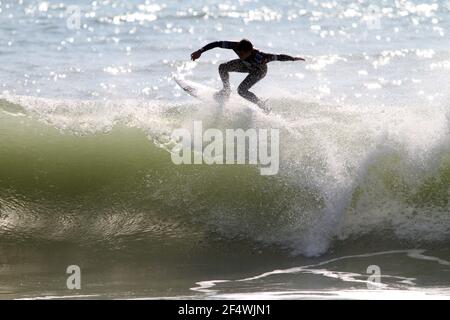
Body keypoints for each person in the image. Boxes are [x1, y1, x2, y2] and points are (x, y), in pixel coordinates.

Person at [191, 39, 305, 112]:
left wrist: (293, 59)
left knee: (241, 90)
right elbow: (217, 44)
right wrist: (200, 51)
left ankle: (262, 105)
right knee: (223, 67)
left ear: (250, 51)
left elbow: (279, 57)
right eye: (239, 53)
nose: (239, 55)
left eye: (242, 54)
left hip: (259, 70)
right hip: (245, 65)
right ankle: (226, 91)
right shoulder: (235, 46)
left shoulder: (262, 57)